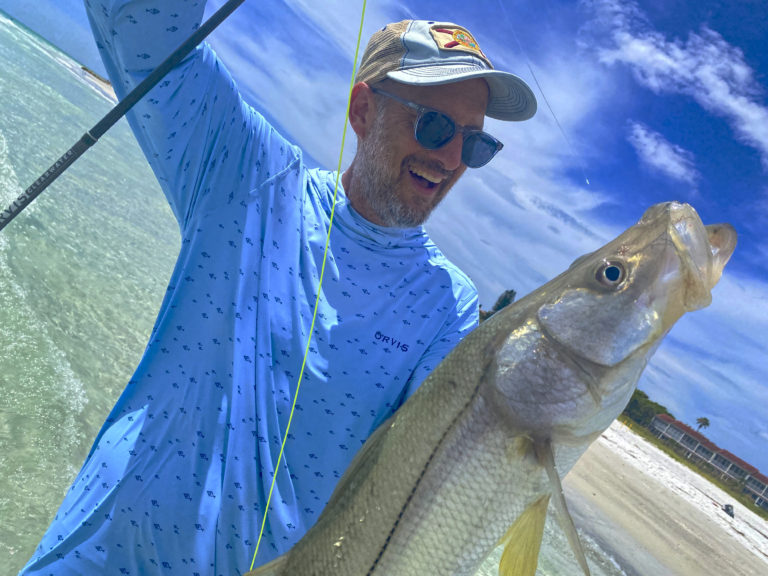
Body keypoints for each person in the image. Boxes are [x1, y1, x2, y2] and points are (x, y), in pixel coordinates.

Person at [21, 2, 536, 574]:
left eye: (474, 145)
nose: (449, 159)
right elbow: (139, 27)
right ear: (362, 110)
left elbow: (425, 497)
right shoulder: (247, 173)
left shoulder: (449, 305)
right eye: (434, 125)